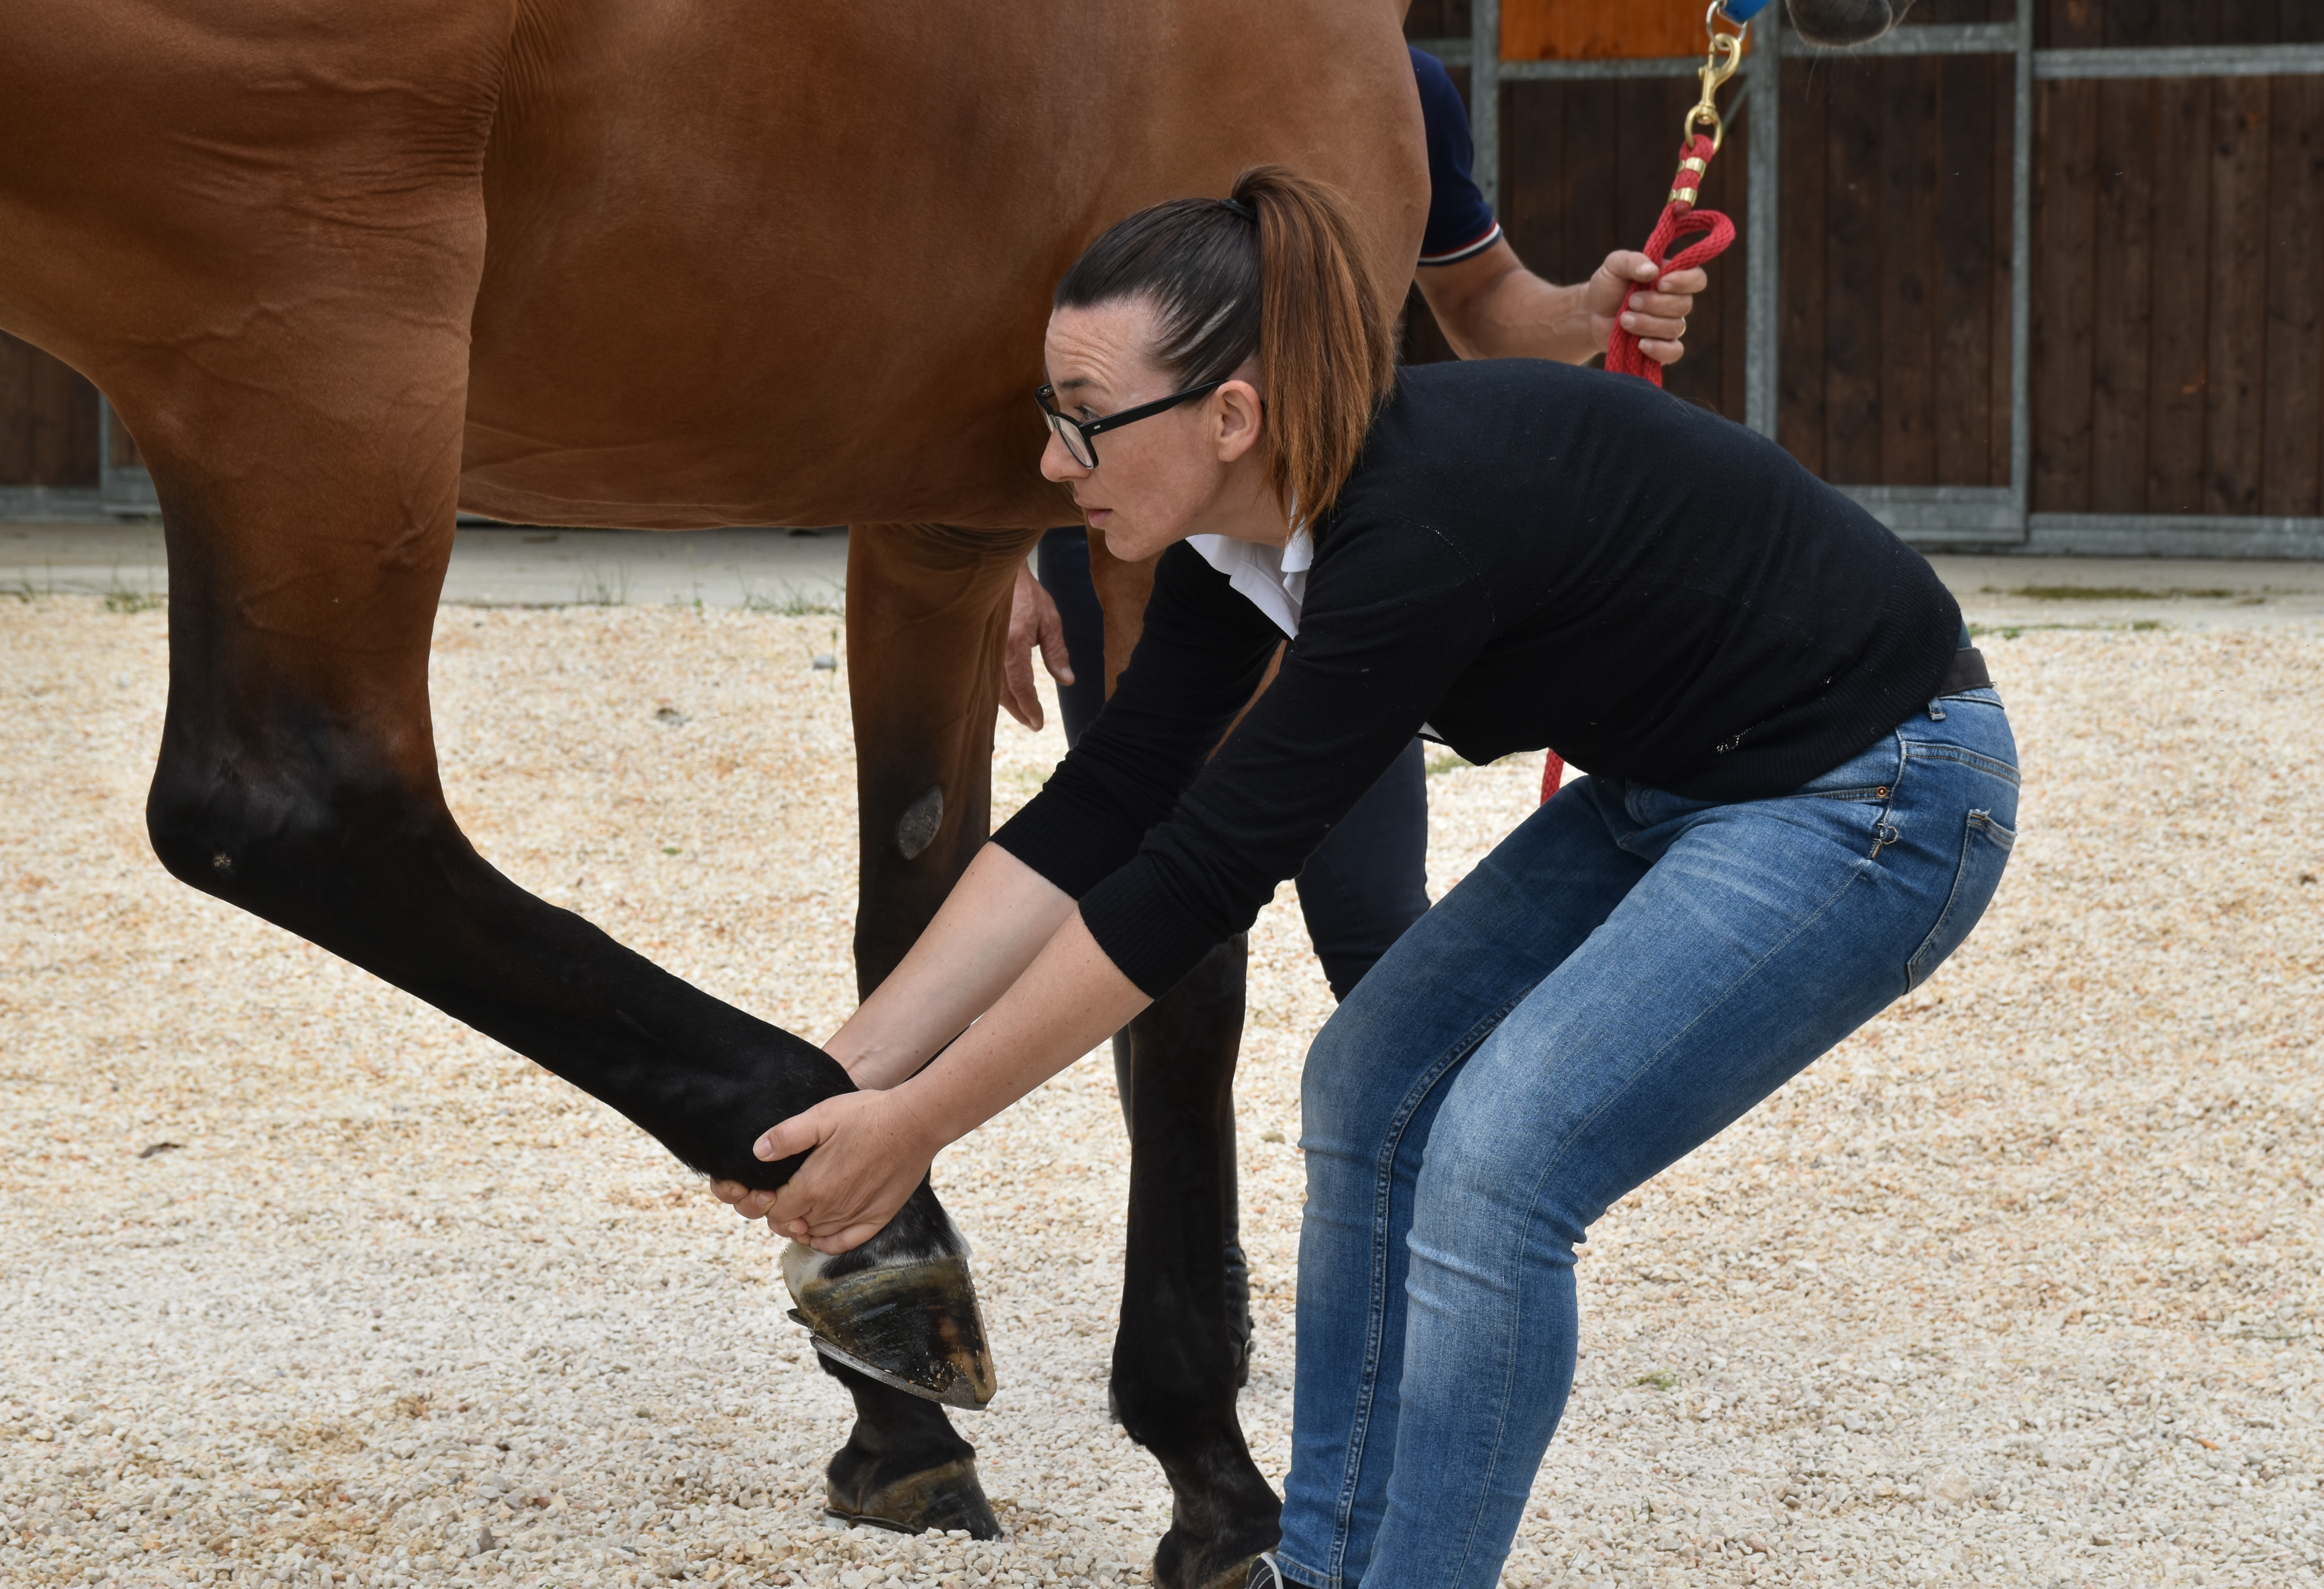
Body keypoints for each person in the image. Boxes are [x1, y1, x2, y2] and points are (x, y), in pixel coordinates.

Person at [718, 168, 2019, 1589]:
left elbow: (1200, 875)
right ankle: (1324, 1567)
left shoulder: (1407, 534)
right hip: (1685, 782)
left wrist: (910, 1127)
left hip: (1878, 790)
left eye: (1084, 422)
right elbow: (1103, 805)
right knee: (1364, 1083)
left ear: (1231, 417)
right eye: (1051, 418)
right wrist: (843, 1073)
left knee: (1494, 1169)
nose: (1052, 467)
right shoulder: (1254, 529)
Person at [1005, 45, 1711, 1004]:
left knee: (1371, 924)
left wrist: (1588, 313)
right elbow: (1026, 335)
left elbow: (1479, 301)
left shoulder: (1403, 81)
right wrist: (993, 546)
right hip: (1133, 518)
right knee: (1135, 876)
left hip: (1336, 537)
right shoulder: (1110, 43)